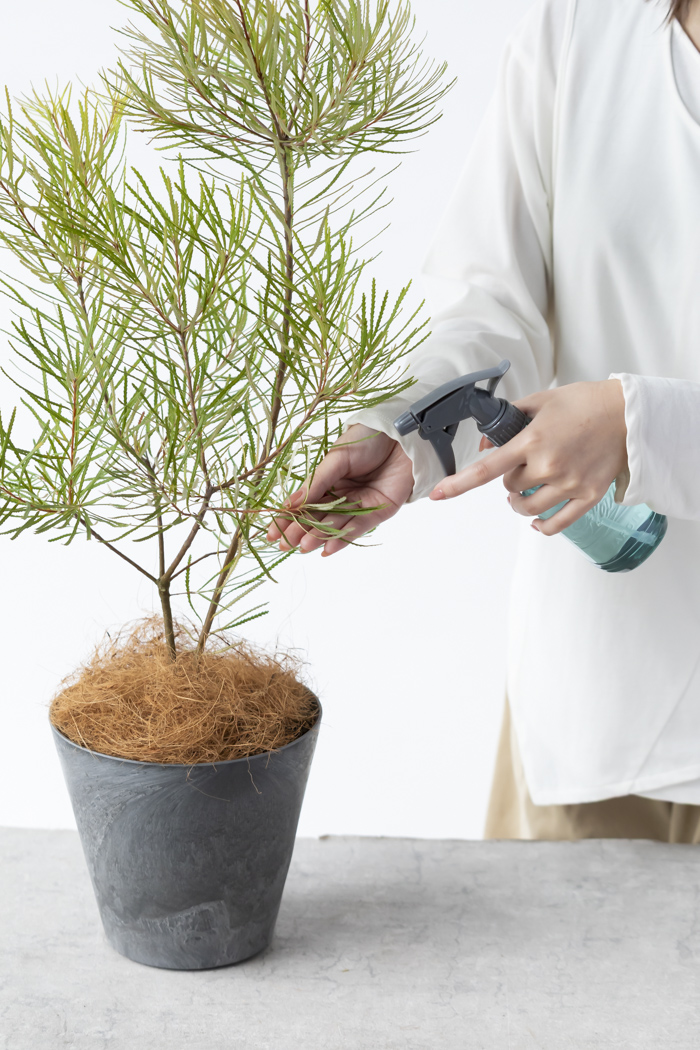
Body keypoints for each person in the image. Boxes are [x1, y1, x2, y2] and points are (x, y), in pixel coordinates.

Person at [267, 0, 700, 843]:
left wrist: (634, 423)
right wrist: (407, 423)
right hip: (603, 718)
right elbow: (487, 295)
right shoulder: (580, 31)